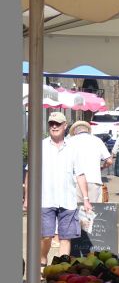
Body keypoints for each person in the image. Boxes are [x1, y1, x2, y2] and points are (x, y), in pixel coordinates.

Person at [23, 112, 92, 270]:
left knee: (65, 238)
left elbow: (80, 174)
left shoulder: (73, 149)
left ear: (65, 126)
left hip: (67, 200)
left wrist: (86, 199)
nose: (54, 126)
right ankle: (42, 258)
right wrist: (27, 198)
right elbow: (29, 173)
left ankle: (61, 271)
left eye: (57, 123)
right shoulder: (40, 146)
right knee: (45, 236)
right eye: (51, 123)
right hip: (45, 199)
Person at [69, 120, 113, 202]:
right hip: (94, 180)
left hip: (75, 182)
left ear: (75, 131)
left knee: (76, 211)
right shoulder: (97, 140)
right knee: (92, 211)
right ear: (88, 130)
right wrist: (103, 167)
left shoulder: (69, 142)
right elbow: (110, 161)